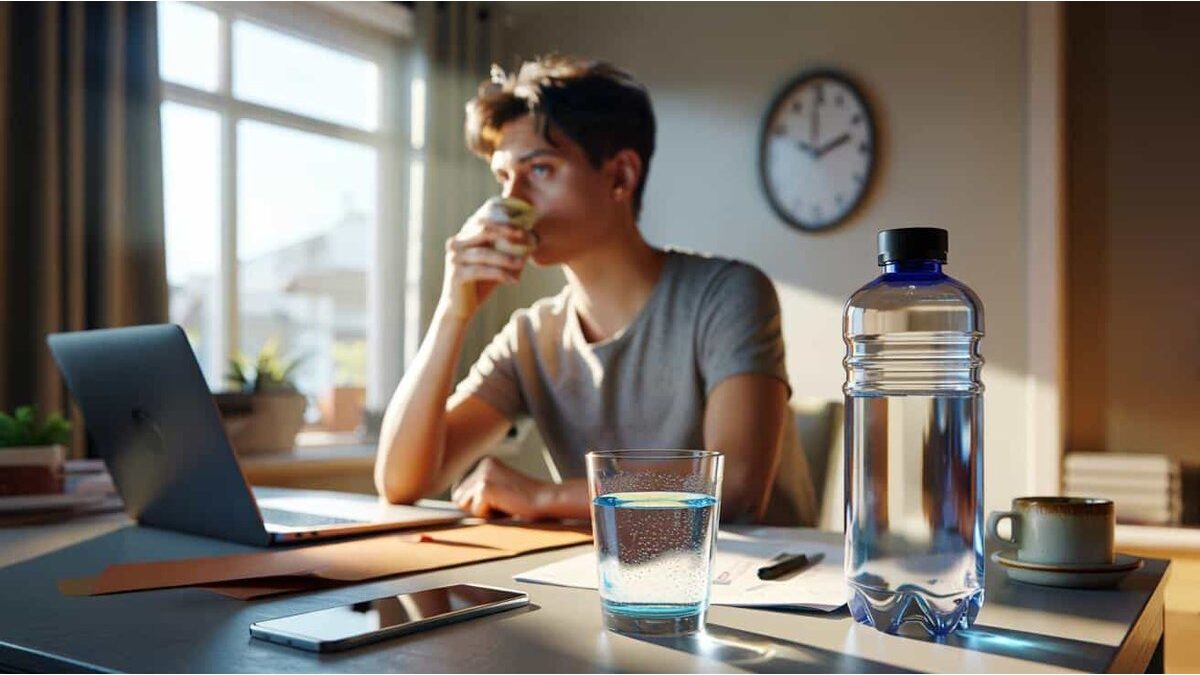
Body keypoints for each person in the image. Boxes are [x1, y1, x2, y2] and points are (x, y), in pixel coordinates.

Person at [374, 55, 794, 523]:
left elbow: (734, 490)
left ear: (621, 177)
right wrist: (452, 312)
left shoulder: (729, 294)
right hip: (609, 582)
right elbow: (400, 482)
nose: (510, 202)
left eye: (539, 171)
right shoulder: (530, 338)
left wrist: (543, 498)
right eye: (503, 177)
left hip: (759, 585)